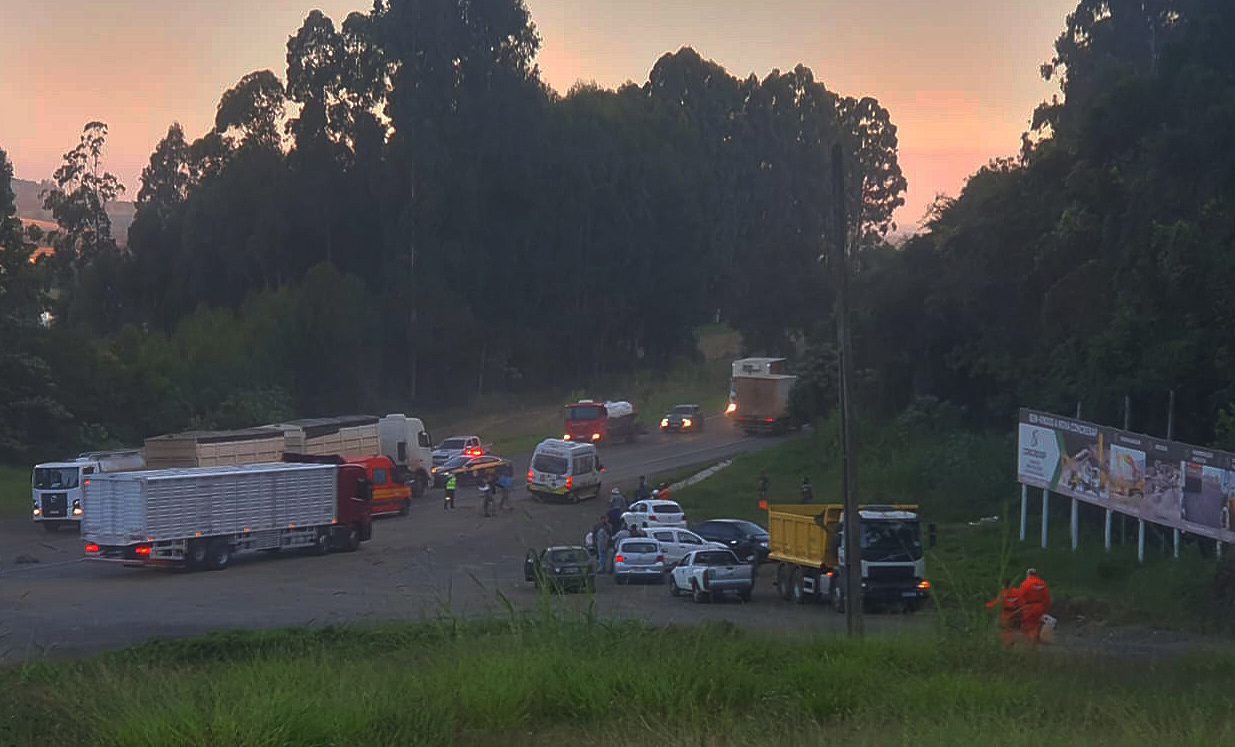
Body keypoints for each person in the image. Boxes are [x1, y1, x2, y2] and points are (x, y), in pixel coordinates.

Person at [1017, 568, 1052, 644]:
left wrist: (1020, 608)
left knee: (1028, 625)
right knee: (1037, 624)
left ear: (1028, 574)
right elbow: (1047, 598)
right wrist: (1046, 608)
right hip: (1040, 607)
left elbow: (1020, 596)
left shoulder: (1025, 583)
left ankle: (1030, 643)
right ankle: (1035, 640)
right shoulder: (1042, 583)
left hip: (1029, 607)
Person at [986, 580, 1023, 646]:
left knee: (1003, 628)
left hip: (1006, 615)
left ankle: (1007, 644)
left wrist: (987, 606)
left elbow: (995, 604)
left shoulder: (1003, 594)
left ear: (1003, 585)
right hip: (1017, 614)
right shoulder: (1018, 592)